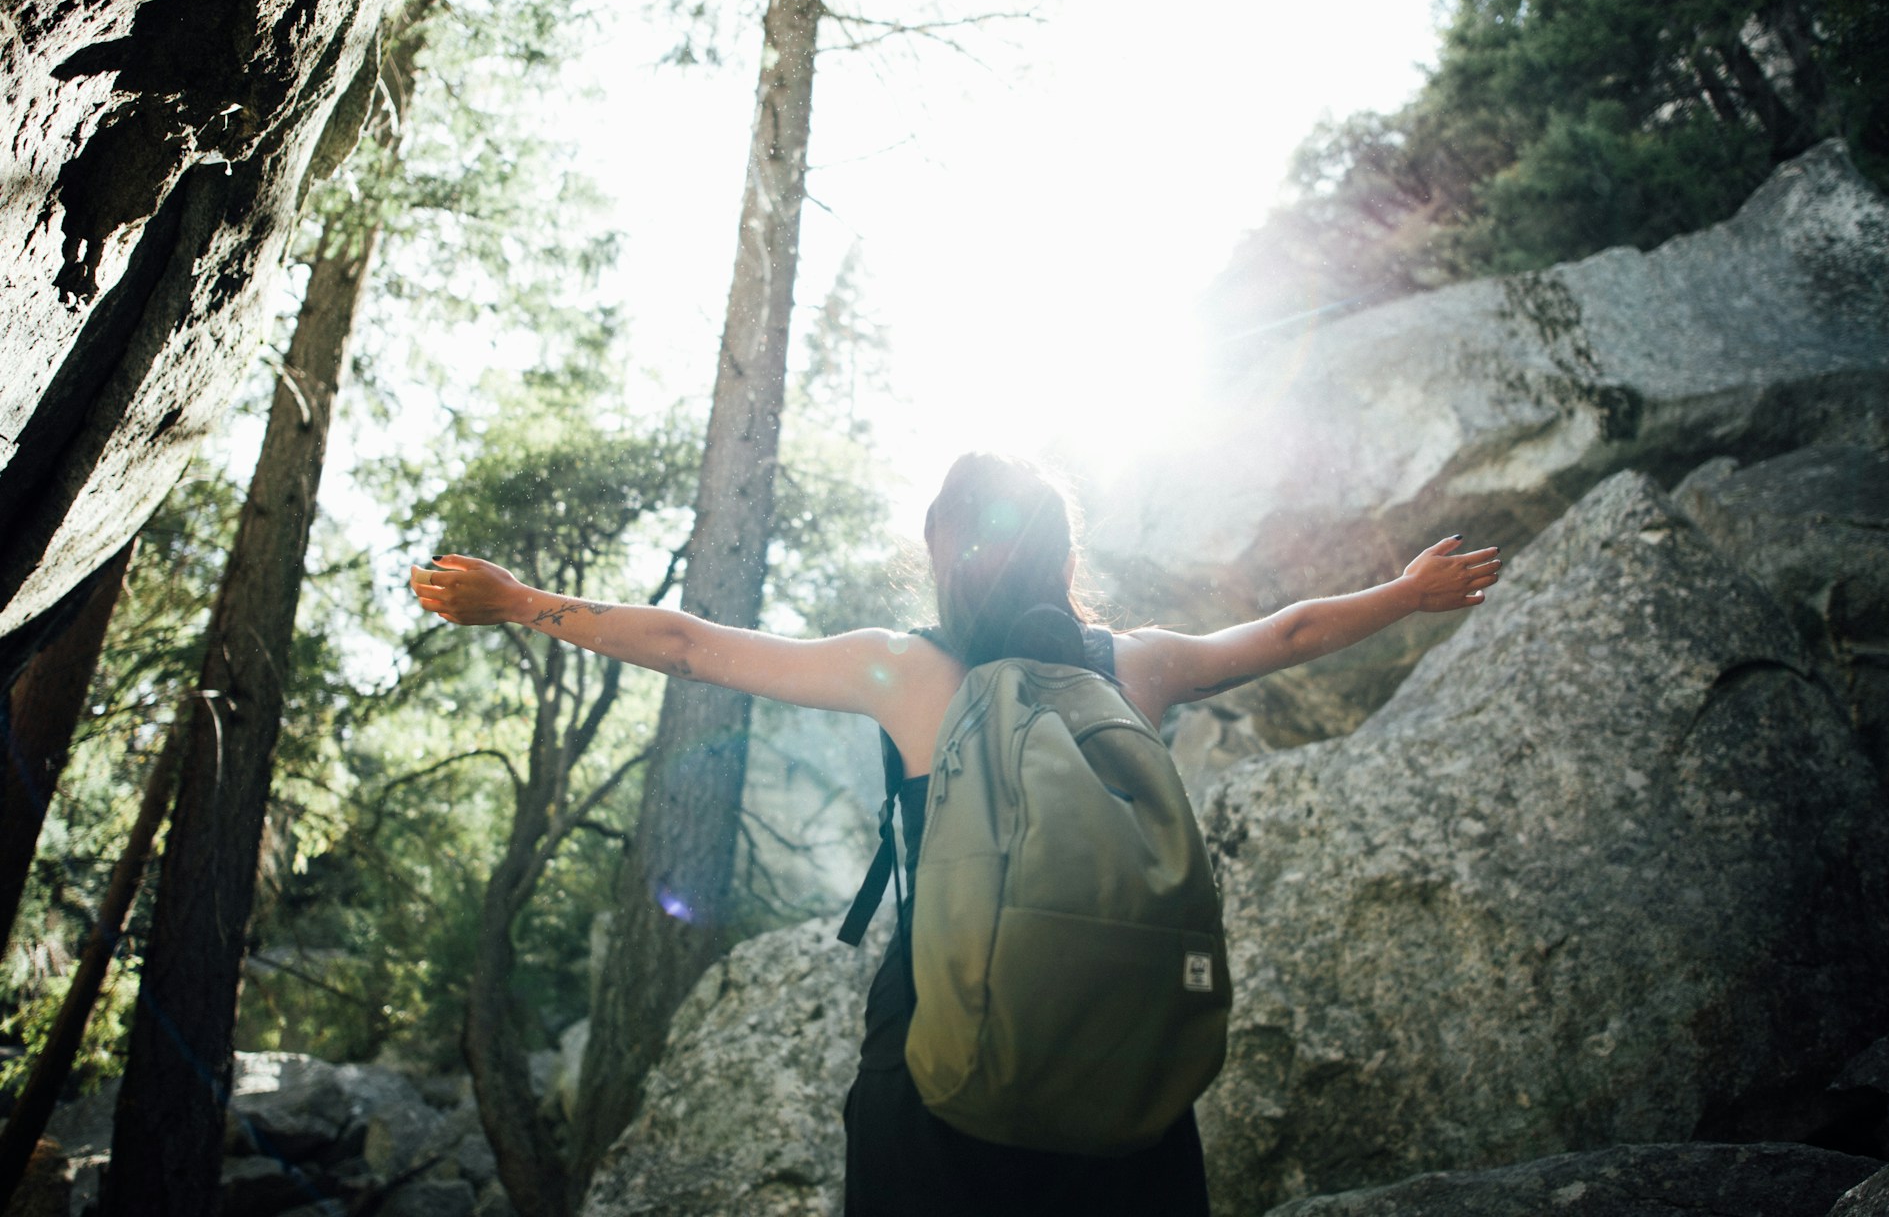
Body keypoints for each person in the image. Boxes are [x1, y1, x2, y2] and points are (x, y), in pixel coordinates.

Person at [409, 450, 1501, 1215]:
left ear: (945, 550)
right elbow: (1294, 627)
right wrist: (1408, 592)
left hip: (938, 1029)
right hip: (1124, 1038)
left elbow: (692, 645)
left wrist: (522, 602)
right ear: (1063, 557)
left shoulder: (905, 665)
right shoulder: (1139, 663)